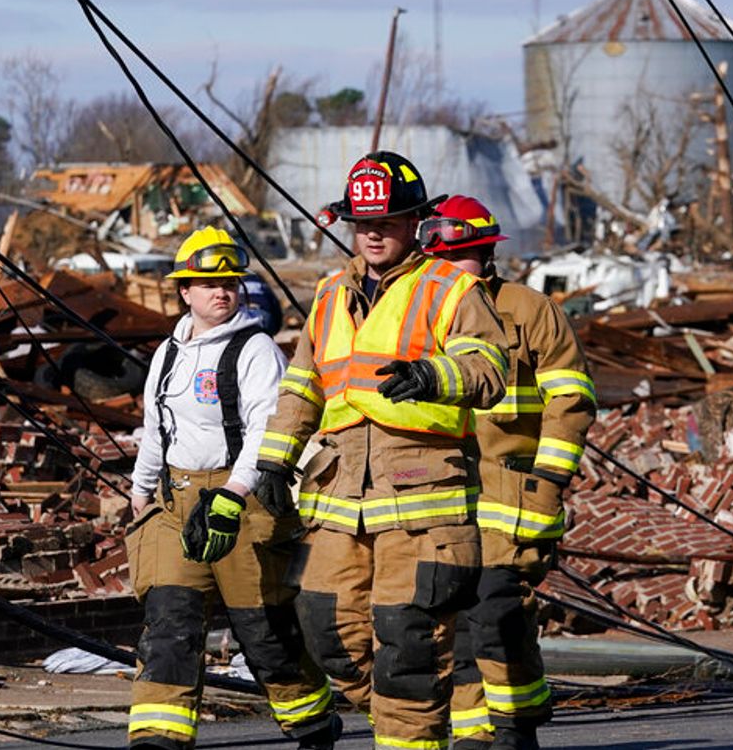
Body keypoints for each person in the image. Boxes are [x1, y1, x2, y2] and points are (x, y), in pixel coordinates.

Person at [254, 152, 509, 750]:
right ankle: (407, 719)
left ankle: (410, 734)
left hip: (424, 504)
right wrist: (274, 459)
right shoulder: (327, 297)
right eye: (362, 222)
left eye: (388, 221)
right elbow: (301, 386)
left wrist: (433, 375)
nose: (372, 232)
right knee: (326, 631)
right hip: (338, 497)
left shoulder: (452, 289)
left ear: (414, 222)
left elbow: (490, 368)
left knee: (409, 641)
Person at [126, 226, 339, 750]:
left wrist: (235, 491)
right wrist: (141, 488)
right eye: (208, 283)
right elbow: (157, 426)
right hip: (176, 506)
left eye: (229, 283)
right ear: (185, 291)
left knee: (266, 631)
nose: (221, 291)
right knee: (169, 624)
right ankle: (158, 737)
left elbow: (266, 428)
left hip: (241, 506)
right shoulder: (168, 352)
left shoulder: (256, 348)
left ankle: (314, 724)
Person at [419, 196, 596, 750]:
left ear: (489, 254)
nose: (458, 272)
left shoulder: (529, 309)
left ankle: (517, 723)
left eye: (468, 257)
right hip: (436, 488)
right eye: (447, 261)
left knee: (494, 607)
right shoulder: (417, 312)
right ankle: (475, 734)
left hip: (513, 487)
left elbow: (571, 398)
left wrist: (548, 480)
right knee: (449, 617)